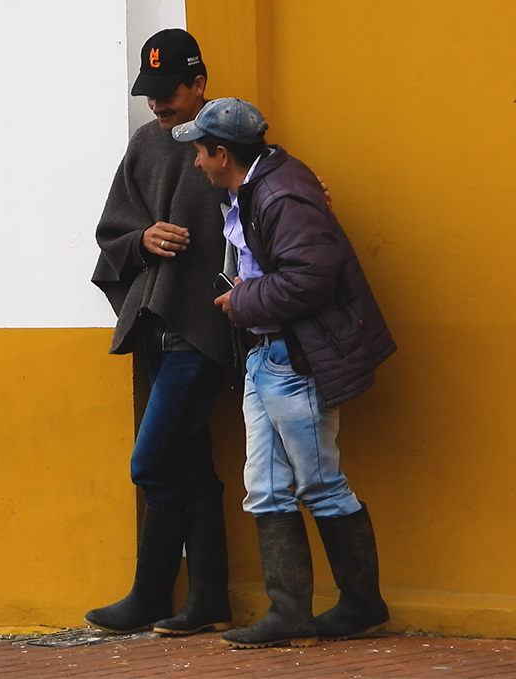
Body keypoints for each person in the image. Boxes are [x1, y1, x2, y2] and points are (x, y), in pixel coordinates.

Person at [170, 97, 395, 649]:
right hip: (268, 356)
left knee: (318, 481)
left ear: (223, 153)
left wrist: (242, 302)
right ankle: (288, 613)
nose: (196, 162)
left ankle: (363, 605)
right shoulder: (258, 185)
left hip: (293, 356)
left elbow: (309, 280)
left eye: (200, 152)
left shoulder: (279, 194)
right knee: (265, 486)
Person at [85, 28, 233, 637]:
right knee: (191, 463)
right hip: (156, 331)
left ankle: (150, 596)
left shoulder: (228, 141)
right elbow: (113, 231)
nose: (157, 104)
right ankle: (207, 600)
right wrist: (142, 241)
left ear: (198, 84)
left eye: (168, 91)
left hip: (204, 330)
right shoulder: (145, 144)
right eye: (150, 93)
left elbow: (266, 207)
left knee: (150, 462)